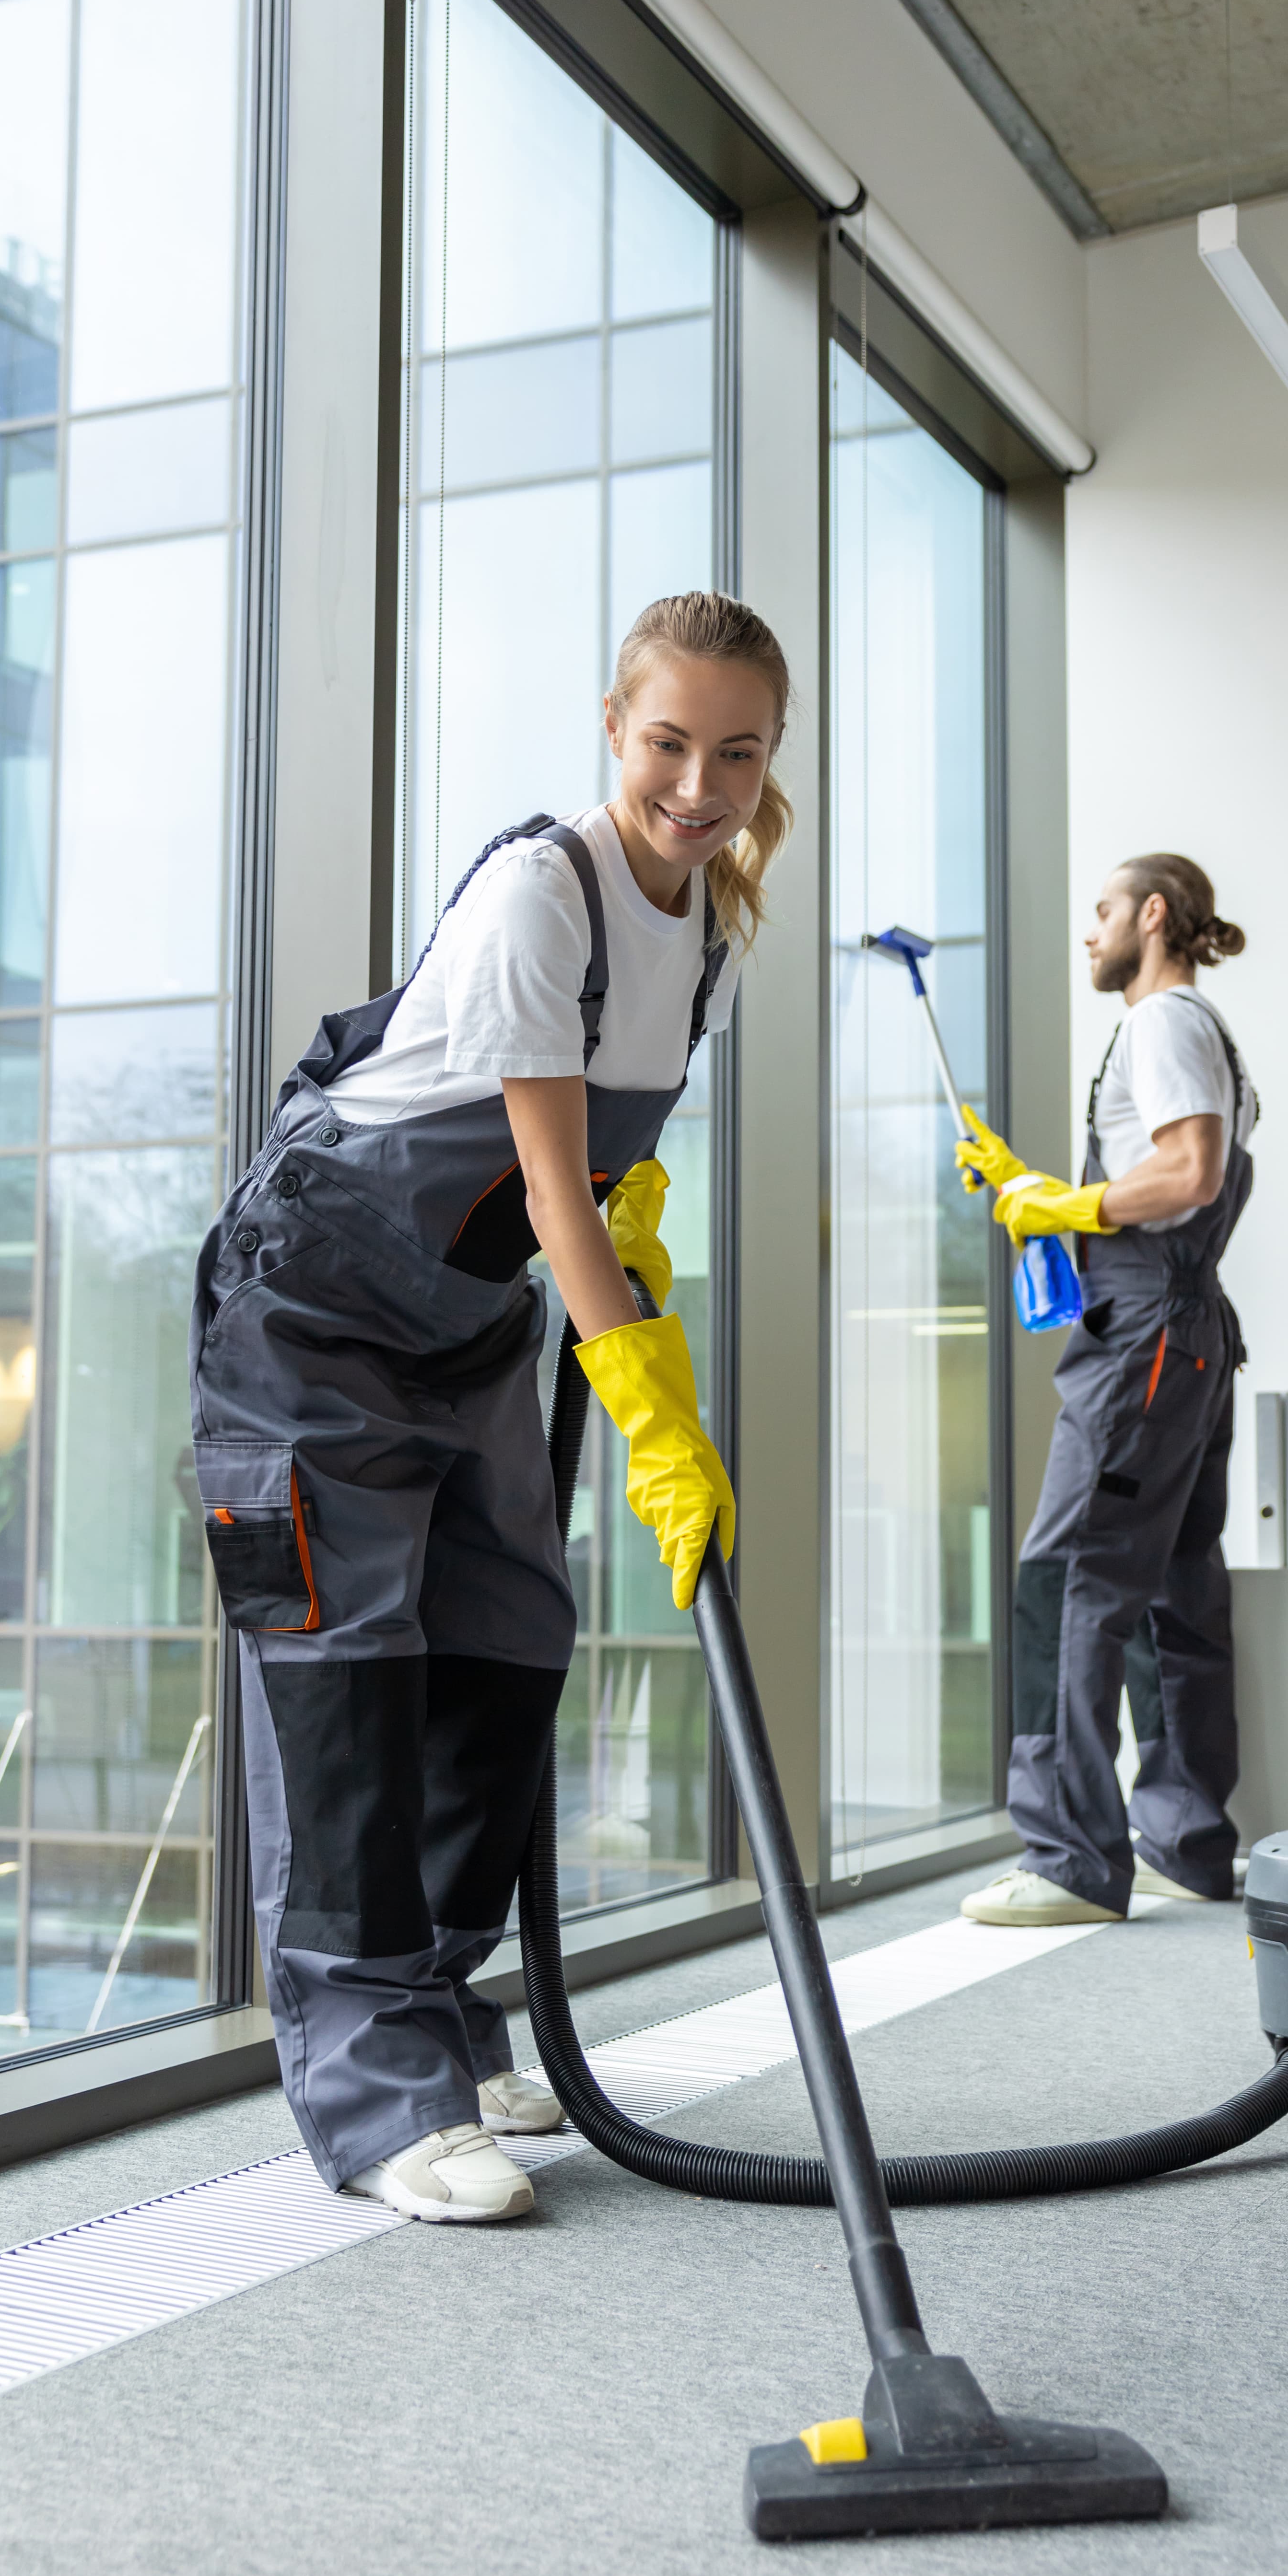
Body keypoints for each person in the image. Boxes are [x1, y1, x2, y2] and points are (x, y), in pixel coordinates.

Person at [189, 593, 789, 2221]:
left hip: (464, 1321)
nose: (697, 782)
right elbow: (545, 1171)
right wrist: (655, 1408)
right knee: (349, 1675)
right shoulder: (547, 891)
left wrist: (639, 1219)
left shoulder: (718, 929)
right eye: (668, 741)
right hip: (309, 1307)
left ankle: (443, 2011)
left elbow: (612, 1166)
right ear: (616, 726)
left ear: (767, 758)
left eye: (735, 751)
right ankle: (377, 2097)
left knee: (510, 1638)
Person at [954, 853, 1257, 1928]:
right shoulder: (1203, 1031)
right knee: (1174, 1582)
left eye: (1104, 912)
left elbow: (1189, 1174)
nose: (1091, 933)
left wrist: (1070, 1209)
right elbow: (1173, 1180)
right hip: (1185, 1332)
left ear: (1155, 915)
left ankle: (1072, 1858)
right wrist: (1035, 1192)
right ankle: (1185, 1841)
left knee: (1067, 1573)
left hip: (1148, 1337)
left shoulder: (1166, 1024)